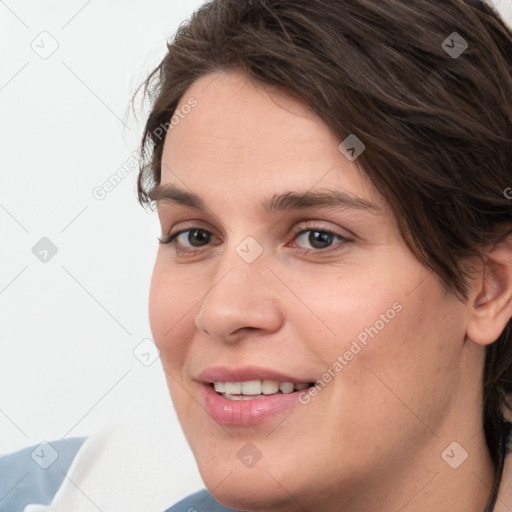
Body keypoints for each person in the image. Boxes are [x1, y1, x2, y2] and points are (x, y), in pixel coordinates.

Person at [2, 1, 512, 511]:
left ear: (489, 287)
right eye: (195, 236)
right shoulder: (48, 494)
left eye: (318, 238)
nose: (222, 312)